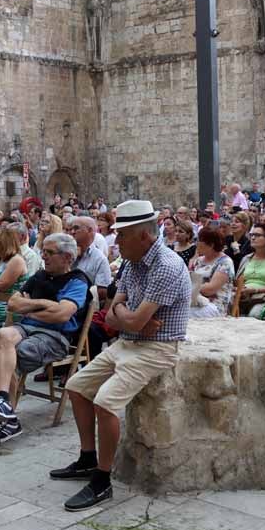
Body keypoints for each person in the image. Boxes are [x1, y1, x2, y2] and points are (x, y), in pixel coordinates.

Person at [56, 200, 190, 511]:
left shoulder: (167, 266)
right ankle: (88, 459)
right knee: (76, 387)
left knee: (105, 401)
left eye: (122, 235)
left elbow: (129, 319)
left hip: (158, 348)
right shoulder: (132, 262)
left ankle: (103, 481)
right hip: (129, 343)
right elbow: (113, 315)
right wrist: (129, 318)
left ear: (144, 235)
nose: (116, 241)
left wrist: (129, 319)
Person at [0, 233, 90, 442]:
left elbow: (62, 315)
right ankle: (4, 402)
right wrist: (46, 305)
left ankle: (8, 419)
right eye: (43, 251)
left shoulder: (77, 280)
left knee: (5, 354)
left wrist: (30, 307)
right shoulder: (39, 275)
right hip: (25, 329)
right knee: (2, 335)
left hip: (55, 336)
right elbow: (13, 304)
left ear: (67, 257)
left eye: (50, 252)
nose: (44, 256)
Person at [236, 223, 265, 317]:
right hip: (242, 296)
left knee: (254, 314)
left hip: (262, 298)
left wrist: (255, 290)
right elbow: (237, 281)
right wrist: (240, 289)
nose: (253, 238)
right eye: (252, 235)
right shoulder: (246, 259)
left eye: (257, 235)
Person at [188, 226, 234, 318]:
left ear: (211, 244)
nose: (196, 244)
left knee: (185, 314)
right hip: (195, 300)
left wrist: (192, 288)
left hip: (215, 306)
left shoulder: (225, 262)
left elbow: (210, 289)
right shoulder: (198, 261)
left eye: (199, 241)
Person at [68, 217, 112, 304]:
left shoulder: (99, 259)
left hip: (82, 305)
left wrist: (75, 295)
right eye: (71, 229)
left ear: (90, 230)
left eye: (76, 228)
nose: (72, 232)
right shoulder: (64, 253)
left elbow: (103, 291)